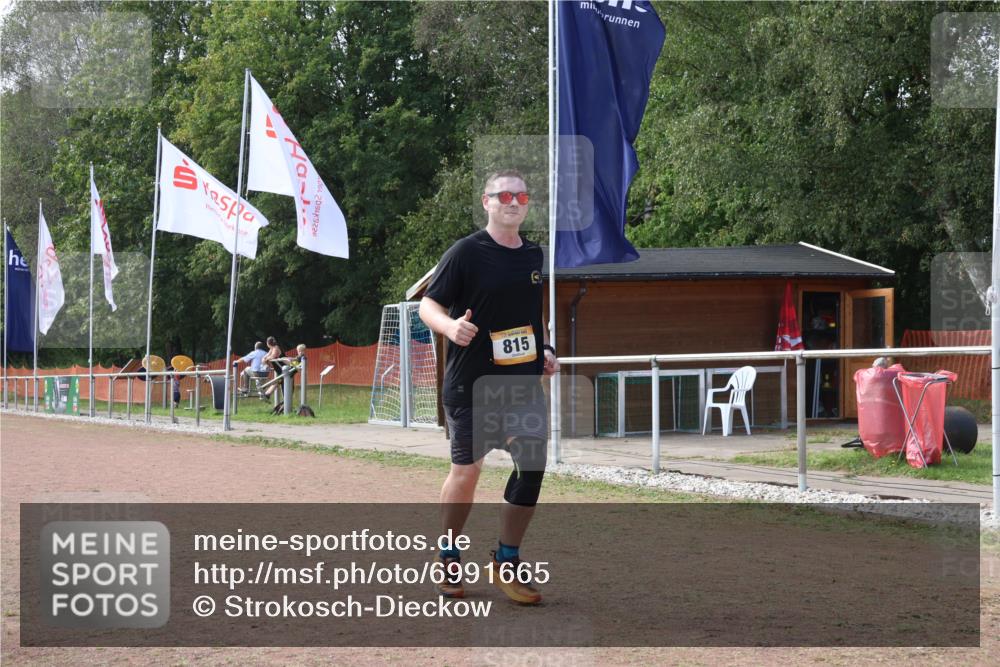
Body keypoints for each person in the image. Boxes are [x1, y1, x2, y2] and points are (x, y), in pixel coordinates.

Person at [419, 169, 558, 605]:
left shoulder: (534, 255)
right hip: (472, 385)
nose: (513, 202)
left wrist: (545, 349)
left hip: (519, 385)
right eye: (504, 196)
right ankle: (447, 552)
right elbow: (429, 303)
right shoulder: (466, 252)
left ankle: (507, 557)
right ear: (487, 202)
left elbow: (533, 317)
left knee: (531, 463)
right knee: (468, 472)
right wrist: (449, 326)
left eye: (520, 195)